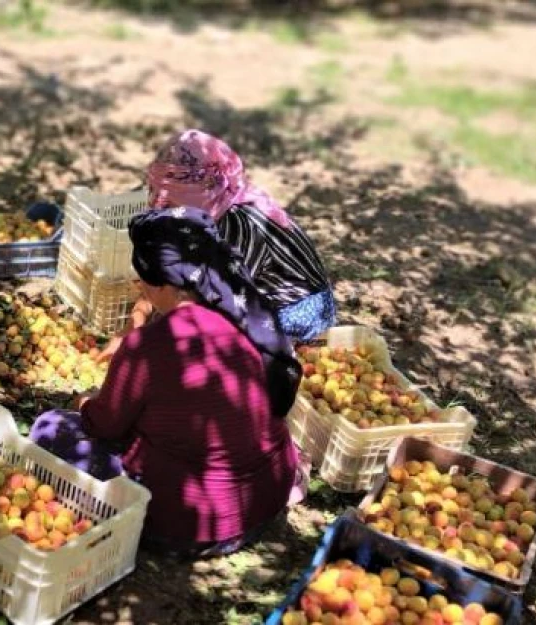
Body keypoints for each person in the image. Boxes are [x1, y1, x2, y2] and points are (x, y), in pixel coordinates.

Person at [30, 207, 307, 558]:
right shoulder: (243, 318)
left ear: (160, 283)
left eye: (142, 278)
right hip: (263, 501)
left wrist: (84, 402)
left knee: (50, 428)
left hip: (187, 524)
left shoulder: (148, 346)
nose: (139, 286)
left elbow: (105, 425)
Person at [101, 129, 335, 360]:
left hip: (294, 312)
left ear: (201, 193)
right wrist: (137, 319)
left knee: (215, 351)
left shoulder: (240, 225)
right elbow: (165, 270)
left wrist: (151, 340)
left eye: (173, 201)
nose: (163, 206)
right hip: (249, 293)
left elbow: (224, 301)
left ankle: (297, 351)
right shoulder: (206, 209)